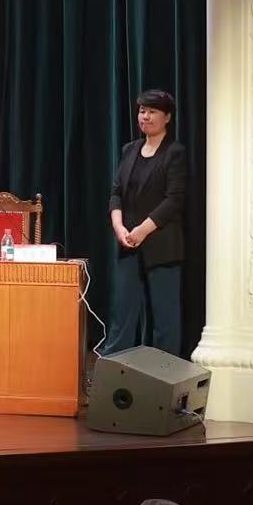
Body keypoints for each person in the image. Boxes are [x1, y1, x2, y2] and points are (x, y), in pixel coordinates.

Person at [104, 88, 188, 355]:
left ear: (167, 117)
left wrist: (142, 230)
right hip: (128, 243)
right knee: (122, 314)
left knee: (165, 319)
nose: (145, 117)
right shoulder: (129, 149)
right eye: (142, 111)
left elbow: (174, 200)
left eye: (152, 111)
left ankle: (165, 373)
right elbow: (116, 192)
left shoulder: (175, 152)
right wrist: (119, 227)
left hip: (161, 245)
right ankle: (114, 368)